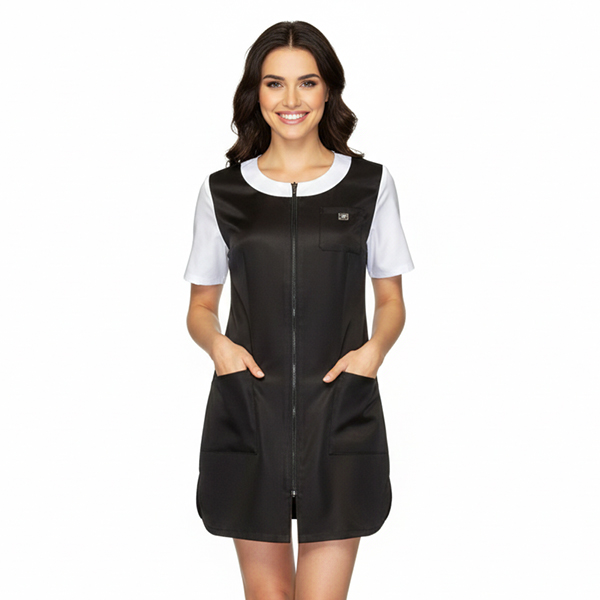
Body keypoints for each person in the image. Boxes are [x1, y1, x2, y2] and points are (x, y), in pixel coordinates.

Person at [184, 20, 414, 600]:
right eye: (274, 83)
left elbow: (390, 300)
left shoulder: (368, 186)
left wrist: (372, 354)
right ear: (256, 93)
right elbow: (201, 307)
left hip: (340, 414)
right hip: (248, 414)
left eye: (307, 82)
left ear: (328, 89)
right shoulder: (223, 193)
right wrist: (219, 348)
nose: (291, 99)